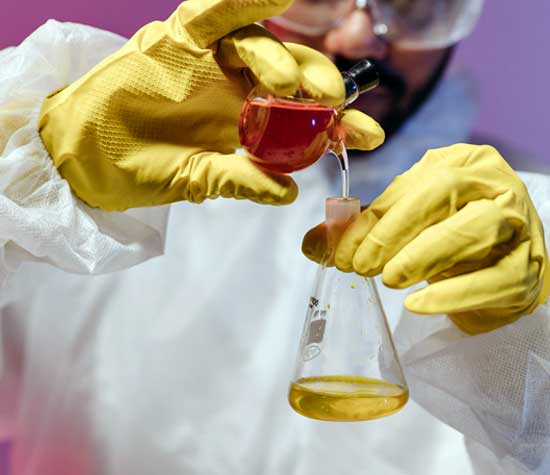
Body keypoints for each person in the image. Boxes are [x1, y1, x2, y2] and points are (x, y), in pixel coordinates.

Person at [0, 1, 549, 474]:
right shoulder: (94, 194)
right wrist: (23, 180)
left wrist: (524, 341)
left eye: (407, 4)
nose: (356, 38)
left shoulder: (515, 230)